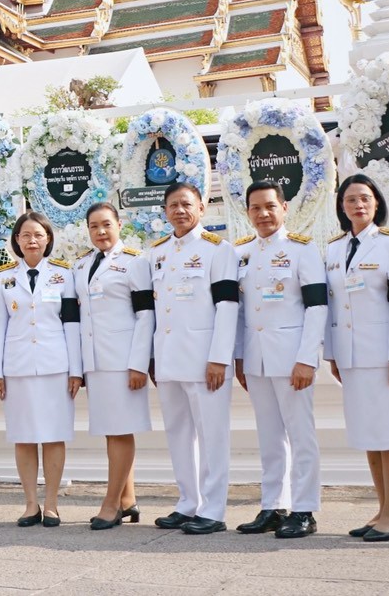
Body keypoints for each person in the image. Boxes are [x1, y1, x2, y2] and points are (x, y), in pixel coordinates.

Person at [231, 181, 327, 540]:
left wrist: (307, 359)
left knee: (301, 435)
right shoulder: (241, 252)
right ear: (247, 212)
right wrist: (239, 357)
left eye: (270, 206)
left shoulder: (302, 249)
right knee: (269, 435)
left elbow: (316, 307)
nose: (263, 214)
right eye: (255, 208)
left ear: (284, 208)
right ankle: (273, 505)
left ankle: (304, 509)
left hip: (291, 360)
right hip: (256, 360)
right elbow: (241, 312)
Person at [324, 173, 389, 542]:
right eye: (351, 199)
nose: (358, 205)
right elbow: (332, 305)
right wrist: (332, 353)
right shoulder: (334, 248)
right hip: (350, 356)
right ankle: (381, 509)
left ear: (376, 202)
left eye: (365, 198)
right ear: (341, 207)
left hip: (382, 355)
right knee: (369, 434)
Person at [149, 182, 239, 535]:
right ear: (165, 211)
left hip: (205, 361)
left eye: (187, 204)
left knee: (212, 435)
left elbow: (227, 307)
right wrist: (152, 358)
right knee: (178, 434)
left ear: (201, 208)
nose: (180, 211)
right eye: (173, 205)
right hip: (168, 359)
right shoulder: (157, 253)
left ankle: (213, 510)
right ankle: (188, 502)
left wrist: (219, 358)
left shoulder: (218, 250)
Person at [0, 211, 79, 527]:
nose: (32, 240)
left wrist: (76, 370)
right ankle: (31, 504)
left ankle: (52, 503)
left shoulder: (63, 275)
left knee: (54, 435)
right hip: (17, 366)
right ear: (17, 240)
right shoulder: (3, 278)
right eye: (25, 235)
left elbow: (71, 323)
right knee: (24, 436)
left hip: (56, 366)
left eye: (38, 235)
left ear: (48, 239)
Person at [73, 202, 152, 530]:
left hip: (123, 361)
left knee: (120, 430)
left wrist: (139, 364)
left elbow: (145, 316)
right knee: (111, 431)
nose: (100, 231)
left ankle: (110, 504)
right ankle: (128, 499)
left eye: (106, 224)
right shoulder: (82, 264)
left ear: (119, 225)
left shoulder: (135, 262)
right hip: (96, 360)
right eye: (94, 226)